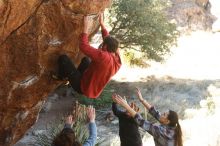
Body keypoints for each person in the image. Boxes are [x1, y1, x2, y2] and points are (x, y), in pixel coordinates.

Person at [56, 13, 121, 98]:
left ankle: (62, 77)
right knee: (86, 60)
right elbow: (108, 39)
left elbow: (83, 46)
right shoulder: (117, 59)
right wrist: (102, 24)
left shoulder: (103, 56)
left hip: (82, 87)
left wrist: (85, 27)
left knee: (63, 58)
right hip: (89, 86)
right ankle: (72, 76)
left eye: (103, 45)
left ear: (105, 46)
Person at [112, 88, 183, 146]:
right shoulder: (173, 127)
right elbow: (155, 113)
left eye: (164, 114)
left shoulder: (161, 132)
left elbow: (142, 121)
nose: (161, 114)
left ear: (167, 121)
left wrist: (126, 106)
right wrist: (142, 100)